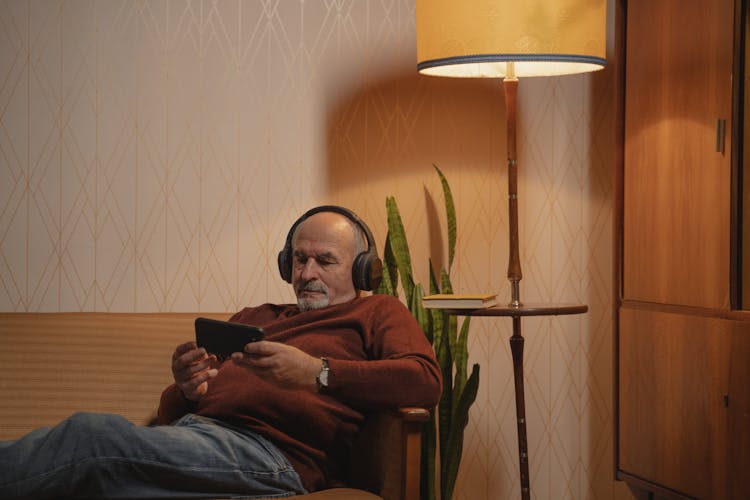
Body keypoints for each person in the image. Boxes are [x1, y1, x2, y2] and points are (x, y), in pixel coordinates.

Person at [0, 205, 442, 499]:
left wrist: (318, 372)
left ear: (363, 270)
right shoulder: (258, 314)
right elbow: (173, 415)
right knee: (93, 477)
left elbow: (425, 380)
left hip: (272, 457)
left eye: (325, 261)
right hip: (198, 437)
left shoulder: (376, 311)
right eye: (300, 260)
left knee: (90, 436)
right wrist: (187, 389)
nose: (308, 273)